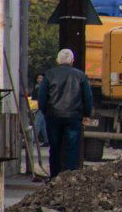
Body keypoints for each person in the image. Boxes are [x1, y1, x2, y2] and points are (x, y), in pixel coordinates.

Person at [37, 48, 94, 178]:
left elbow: (42, 97)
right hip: (74, 116)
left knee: (54, 147)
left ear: (57, 60)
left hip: (53, 116)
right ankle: (69, 177)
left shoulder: (49, 74)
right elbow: (87, 97)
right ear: (72, 61)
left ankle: (54, 176)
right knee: (72, 147)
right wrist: (87, 114)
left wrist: (45, 111)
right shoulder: (80, 75)